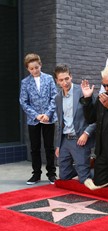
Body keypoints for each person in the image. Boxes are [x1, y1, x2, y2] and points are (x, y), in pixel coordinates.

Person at [54, 64, 96, 184]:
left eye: (67, 78)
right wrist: (58, 145)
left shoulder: (83, 91)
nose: (65, 82)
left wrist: (86, 133)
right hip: (65, 140)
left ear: (71, 77)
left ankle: (98, 171)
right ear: (57, 81)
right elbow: (60, 123)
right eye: (61, 80)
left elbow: (96, 118)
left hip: (80, 139)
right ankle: (83, 168)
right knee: (64, 176)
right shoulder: (58, 97)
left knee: (84, 180)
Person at [19, 53, 57, 185]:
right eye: (31, 68)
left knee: (49, 147)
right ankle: (36, 174)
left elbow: (54, 97)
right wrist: (36, 115)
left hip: (49, 118)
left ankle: (52, 174)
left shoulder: (49, 79)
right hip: (33, 120)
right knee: (35, 147)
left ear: (40, 65)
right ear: (28, 69)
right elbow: (23, 102)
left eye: (36, 67)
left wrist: (47, 114)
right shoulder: (25, 82)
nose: (34, 70)